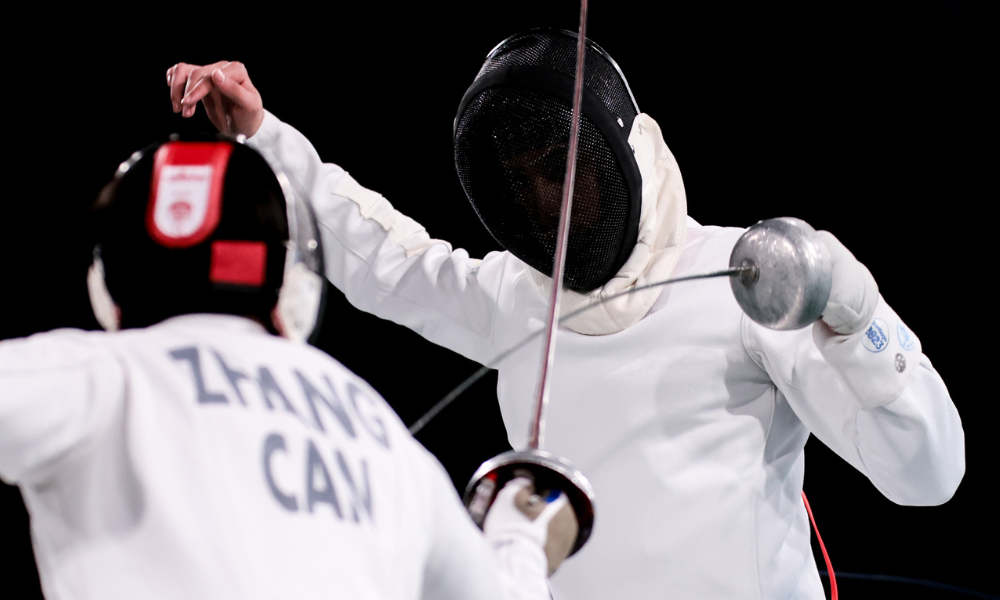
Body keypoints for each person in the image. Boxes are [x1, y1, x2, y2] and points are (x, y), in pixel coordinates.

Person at [168, 28, 965, 599]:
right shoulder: (515, 299)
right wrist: (264, 138)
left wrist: (861, 321)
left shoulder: (748, 279)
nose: (546, 199)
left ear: (625, 149)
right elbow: (385, 259)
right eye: (520, 179)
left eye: (561, 165)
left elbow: (927, 478)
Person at [0, 134, 578, 599]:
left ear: (110, 275)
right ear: (290, 276)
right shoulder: (375, 427)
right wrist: (518, 540)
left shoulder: (98, 375)